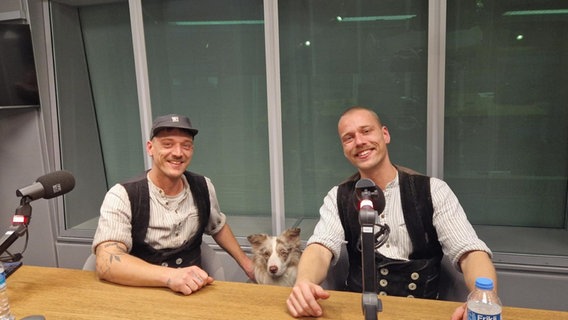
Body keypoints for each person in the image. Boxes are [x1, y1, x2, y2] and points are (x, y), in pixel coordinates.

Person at [286, 106, 497, 320]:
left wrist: (483, 299)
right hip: (357, 312)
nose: (359, 142)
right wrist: (304, 282)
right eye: (348, 138)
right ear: (344, 148)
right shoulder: (338, 196)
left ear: (384, 134)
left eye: (366, 131)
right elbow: (320, 248)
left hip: (421, 314)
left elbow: (470, 253)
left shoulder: (433, 191)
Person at [92, 114, 254, 295]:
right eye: (168, 144)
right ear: (150, 148)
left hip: (193, 292)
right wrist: (170, 277)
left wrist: (248, 265)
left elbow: (217, 226)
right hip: (139, 292)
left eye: (186, 145)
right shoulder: (122, 195)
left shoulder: (203, 186)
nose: (178, 153)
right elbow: (106, 262)